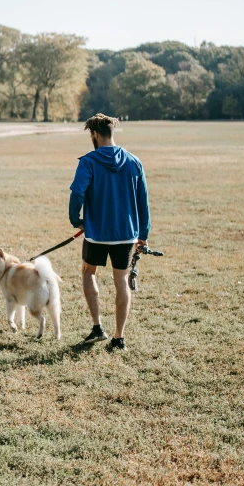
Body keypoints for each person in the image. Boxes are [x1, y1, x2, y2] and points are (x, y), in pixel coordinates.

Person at [69, 113, 151, 350]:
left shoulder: (89, 161)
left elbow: (77, 193)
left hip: (96, 233)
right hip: (126, 235)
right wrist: (143, 235)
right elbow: (143, 203)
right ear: (111, 133)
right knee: (121, 281)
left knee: (88, 273)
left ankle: (97, 327)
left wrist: (77, 220)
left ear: (94, 134)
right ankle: (119, 337)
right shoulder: (134, 162)